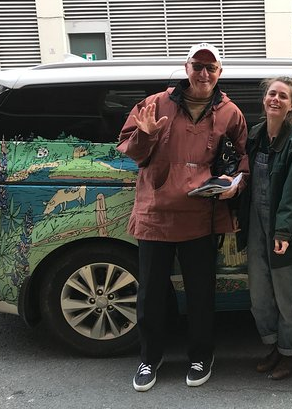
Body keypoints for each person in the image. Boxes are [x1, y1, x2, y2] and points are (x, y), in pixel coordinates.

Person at [118, 42, 248, 391]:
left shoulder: (230, 112)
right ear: (186, 67)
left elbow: (242, 159)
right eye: (198, 66)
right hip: (156, 213)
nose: (204, 73)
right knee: (151, 295)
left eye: (211, 67)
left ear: (220, 72)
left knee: (201, 295)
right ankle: (149, 358)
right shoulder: (155, 103)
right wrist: (145, 134)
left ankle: (201, 355)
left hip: (201, 216)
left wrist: (235, 185)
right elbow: (133, 152)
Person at [237, 77, 292, 381]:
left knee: (287, 297)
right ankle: (273, 346)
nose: (276, 99)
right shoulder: (255, 135)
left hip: (286, 231)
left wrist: (283, 232)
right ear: (264, 100)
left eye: (283, 96)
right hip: (257, 225)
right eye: (272, 94)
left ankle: (290, 353)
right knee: (259, 296)